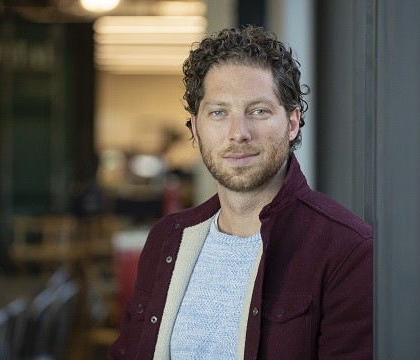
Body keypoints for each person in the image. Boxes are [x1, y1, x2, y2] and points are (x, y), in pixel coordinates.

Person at [109, 25, 372, 360]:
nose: (238, 133)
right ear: (195, 127)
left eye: (258, 111)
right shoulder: (167, 239)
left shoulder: (348, 251)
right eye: (219, 112)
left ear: (292, 123)